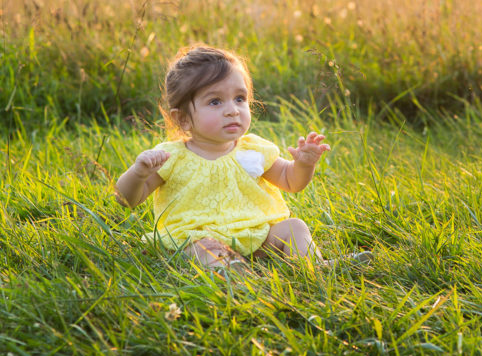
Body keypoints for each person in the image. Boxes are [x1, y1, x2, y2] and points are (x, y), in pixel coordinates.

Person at [114, 44, 355, 271]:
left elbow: (292, 181)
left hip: (256, 235)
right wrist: (138, 174)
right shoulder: (171, 157)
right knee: (206, 248)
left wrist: (304, 163)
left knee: (295, 227)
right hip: (196, 238)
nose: (232, 109)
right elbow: (126, 199)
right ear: (183, 119)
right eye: (215, 101)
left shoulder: (254, 149)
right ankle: (233, 273)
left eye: (239, 98)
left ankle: (313, 266)